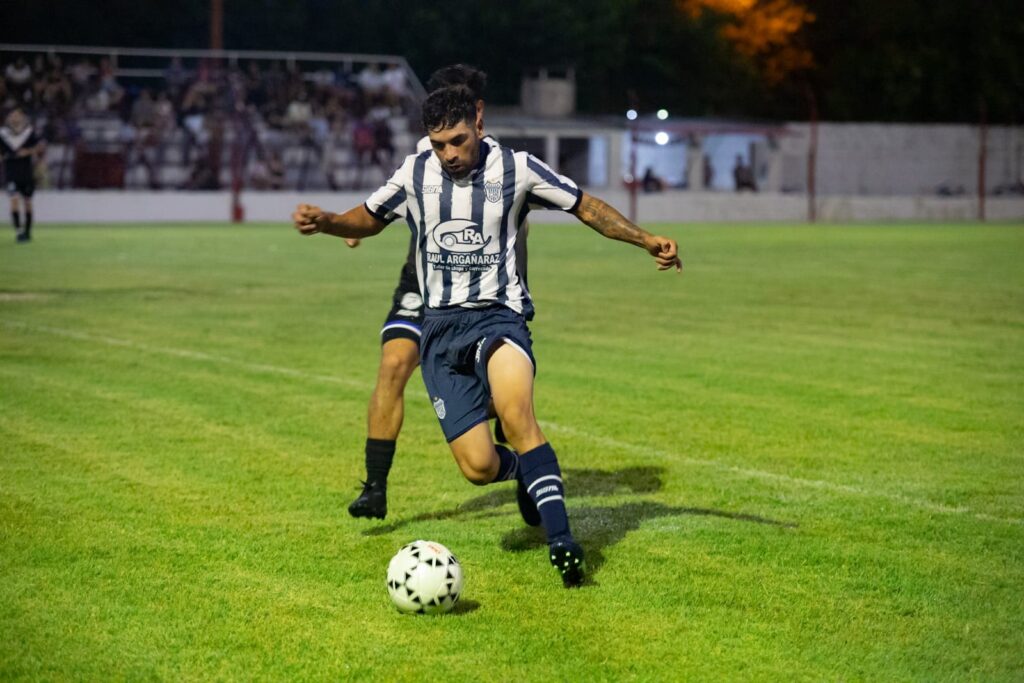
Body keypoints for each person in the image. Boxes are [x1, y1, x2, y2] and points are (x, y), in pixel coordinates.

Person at [292, 82, 681, 588]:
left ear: (479, 124)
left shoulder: (517, 168)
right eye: (438, 144)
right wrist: (326, 222)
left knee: (517, 412)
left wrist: (646, 239)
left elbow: (585, 206)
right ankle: (525, 471)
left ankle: (564, 543)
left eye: (457, 140)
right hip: (438, 332)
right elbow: (367, 217)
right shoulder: (415, 172)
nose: (449, 154)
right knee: (478, 467)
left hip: (499, 319)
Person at [342, 65, 491, 523]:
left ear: (478, 112)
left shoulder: (507, 169)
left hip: (481, 295)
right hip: (421, 285)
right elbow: (380, 206)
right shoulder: (423, 162)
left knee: (499, 397)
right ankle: (375, 486)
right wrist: (349, 225)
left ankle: (523, 470)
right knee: (392, 365)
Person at [0, 108, 45, 242]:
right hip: (11, 172)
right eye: (12, 115)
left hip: (26, 172)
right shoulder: (3, 134)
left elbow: (41, 146)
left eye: (18, 115)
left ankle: (27, 231)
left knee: (27, 202)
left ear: (23, 117)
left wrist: (29, 151)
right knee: (14, 200)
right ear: (8, 118)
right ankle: (19, 231)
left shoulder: (29, 133)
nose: (15, 118)